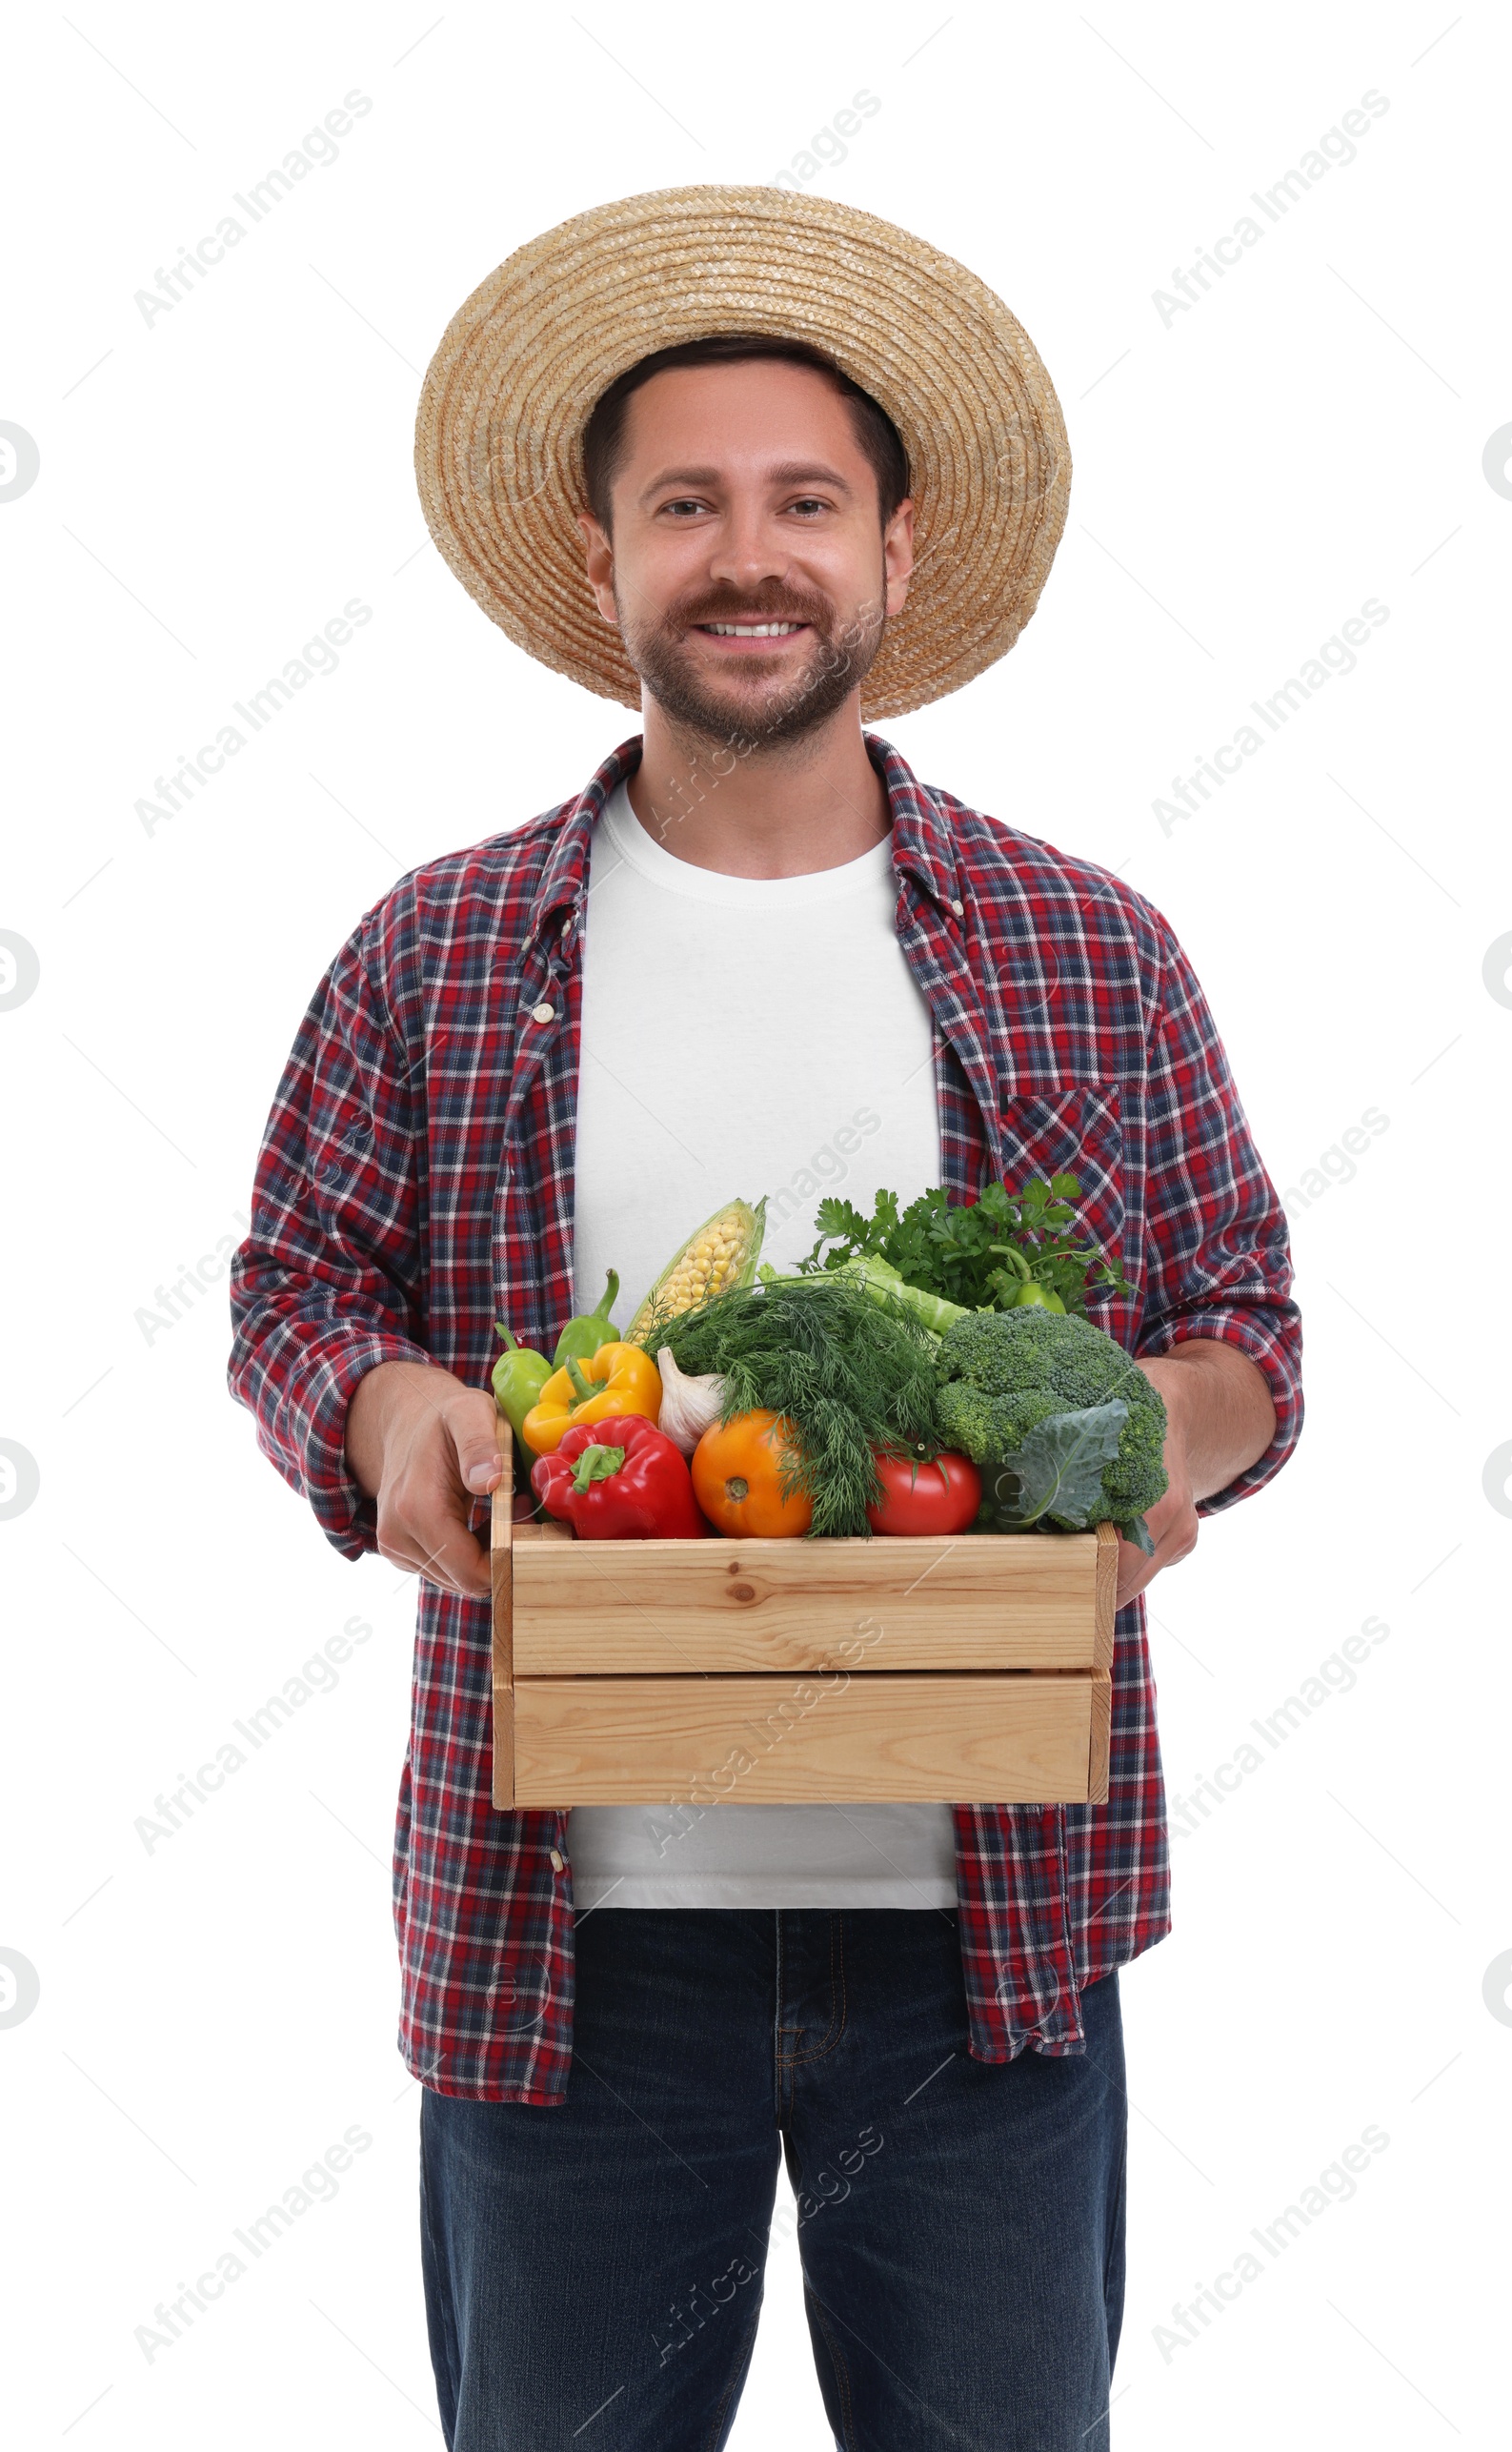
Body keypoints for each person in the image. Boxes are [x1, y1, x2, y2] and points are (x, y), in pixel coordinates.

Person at [230, 187, 1302, 2451]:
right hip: (571, 1957)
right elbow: (291, 1294)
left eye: (804, 501)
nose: (749, 556)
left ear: (893, 554)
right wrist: (387, 1398)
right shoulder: (441, 951)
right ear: (601, 559)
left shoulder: (1081, 945)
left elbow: (1244, 1335)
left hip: (985, 1945)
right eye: (685, 505)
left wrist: (1143, 1432)